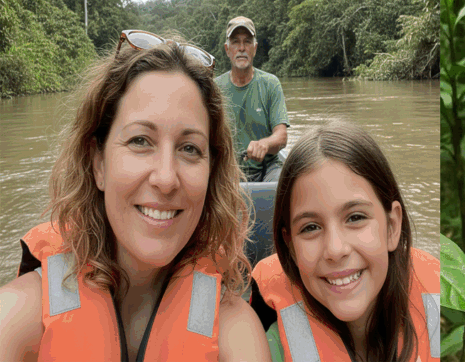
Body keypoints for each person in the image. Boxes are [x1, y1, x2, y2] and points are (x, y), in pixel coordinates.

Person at [0, 31, 269, 362]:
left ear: (212, 172)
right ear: (98, 163)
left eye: (189, 148)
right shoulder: (16, 319)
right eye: (140, 141)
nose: (166, 179)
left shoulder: (236, 334)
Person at [251, 120, 439, 362]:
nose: (335, 249)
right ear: (291, 247)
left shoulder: (442, 307)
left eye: (355, 217)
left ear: (392, 227)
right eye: (310, 227)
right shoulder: (263, 345)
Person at [215, 16, 289, 183]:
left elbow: (281, 136)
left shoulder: (270, 84)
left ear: (254, 49)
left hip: (268, 169)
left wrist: (265, 144)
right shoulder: (215, 89)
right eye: (235, 42)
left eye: (247, 42)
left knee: (281, 183)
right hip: (229, 170)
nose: (241, 48)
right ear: (227, 49)